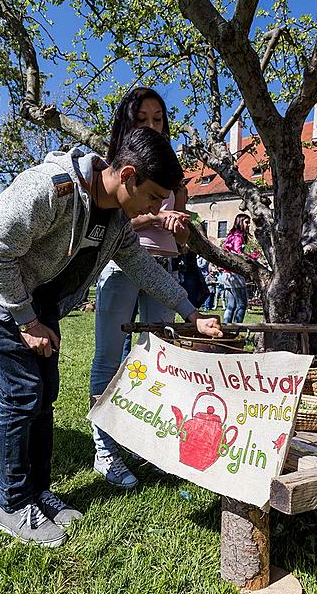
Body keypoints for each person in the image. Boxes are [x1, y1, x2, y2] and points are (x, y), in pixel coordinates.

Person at [0, 127, 223, 548]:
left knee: (45, 393)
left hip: (36, 297)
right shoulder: (48, 190)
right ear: (129, 176)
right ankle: (12, 505)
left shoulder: (118, 223)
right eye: (155, 196)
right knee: (23, 393)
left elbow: (145, 268)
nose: (158, 207)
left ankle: (38, 492)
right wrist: (27, 323)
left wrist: (191, 313)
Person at [90, 88, 190, 489]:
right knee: (109, 356)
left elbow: (183, 242)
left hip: (162, 271)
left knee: (156, 360)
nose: (152, 125)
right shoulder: (118, 169)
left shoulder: (173, 172)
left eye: (158, 119)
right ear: (128, 123)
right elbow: (110, 231)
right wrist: (148, 219)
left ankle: (141, 438)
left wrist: (181, 229)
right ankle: (105, 449)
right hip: (120, 266)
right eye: (143, 118)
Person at [222, 213, 258, 324]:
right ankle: (237, 328)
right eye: (246, 222)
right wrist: (252, 257)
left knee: (230, 306)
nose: (248, 225)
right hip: (235, 275)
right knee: (242, 305)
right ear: (240, 222)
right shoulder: (238, 235)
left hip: (227, 274)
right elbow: (237, 253)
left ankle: (227, 328)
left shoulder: (231, 235)